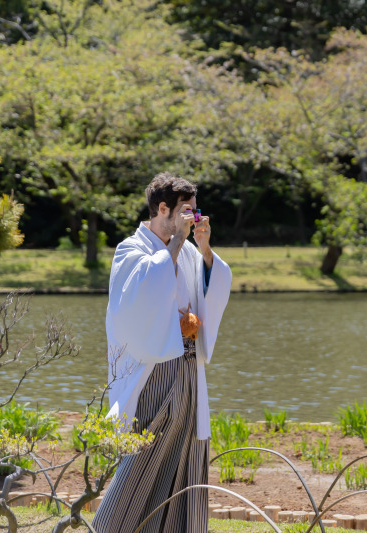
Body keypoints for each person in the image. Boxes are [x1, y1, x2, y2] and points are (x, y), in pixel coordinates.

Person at [92, 172, 232, 533]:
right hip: (153, 369)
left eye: (195, 210)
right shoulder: (131, 250)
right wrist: (179, 244)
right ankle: (111, 528)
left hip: (186, 367)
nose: (192, 217)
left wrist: (203, 249)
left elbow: (211, 286)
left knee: (185, 452)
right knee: (145, 452)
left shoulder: (186, 249)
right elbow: (142, 297)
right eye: (186, 210)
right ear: (163, 209)